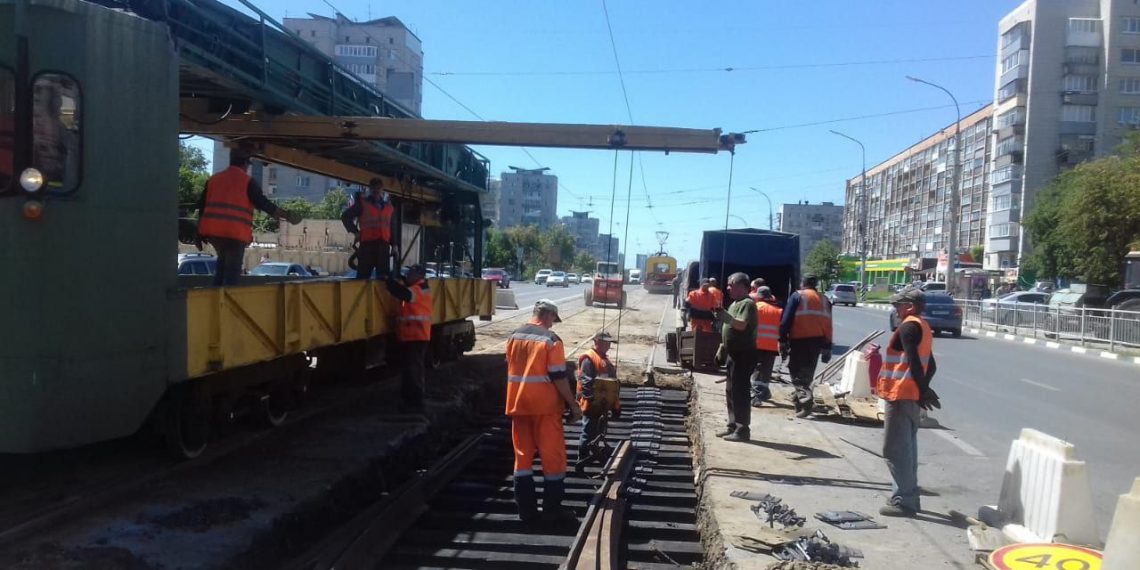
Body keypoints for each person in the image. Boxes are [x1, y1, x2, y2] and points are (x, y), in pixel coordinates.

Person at [505, 299, 582, 522]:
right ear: (548, 315)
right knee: (553, 459)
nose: (552, 324)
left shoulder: (514, 336)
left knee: (522, 460)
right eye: (553, 320)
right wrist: (572, 404)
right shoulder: (551, 340)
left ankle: (526, 512)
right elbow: (558, 376)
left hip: (519, 406)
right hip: (545, 408)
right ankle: (552, 511)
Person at [878, 288, 940, 517]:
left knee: (895, 449)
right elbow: (930, 366)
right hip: (910, 395)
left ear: (910, 306)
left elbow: (914, 362)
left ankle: (904, 500)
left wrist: (922, 390)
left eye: (898, 305)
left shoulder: (907, 327)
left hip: (900, 394)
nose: (896, 310)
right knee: (907, 448)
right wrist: (923, 390)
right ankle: (910, 495)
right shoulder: (922, 326)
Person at [196, 149, 290, 286]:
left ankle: (216, 295)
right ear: (245, 164)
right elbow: (264, 204)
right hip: (235, 233)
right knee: (232, 273)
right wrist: (286, 215)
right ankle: (227, 298)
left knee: (221, 265)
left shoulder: (214, 179)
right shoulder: (247, 182)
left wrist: (198, 233)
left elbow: (202, 206)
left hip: (213, 233)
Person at [779, 275, 833, 418]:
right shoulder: (825, 300)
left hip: (800, 340)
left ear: (803, 283)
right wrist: (827, 346)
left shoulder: (798, 296)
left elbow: (786, 319)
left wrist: (782, 339)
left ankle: (806, 402)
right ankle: (799, 403)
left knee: (795, 371)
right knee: (807, 372)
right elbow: (829, 324)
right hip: (817, 341)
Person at [713, 273, 758, 442]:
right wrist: (722, 348)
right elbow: (729, 328)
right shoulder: (734, 304)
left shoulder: (747, 304)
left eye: (730, 285)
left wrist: (724, 316)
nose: (727, 288)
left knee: (740, 392)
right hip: (733, 354)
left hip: (744, 354)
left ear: (741, 286)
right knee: (731, 391)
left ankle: (742, 430)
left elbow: (741, 325)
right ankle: (732, 425)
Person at [385, 265, 432, 411]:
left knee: (413, 371)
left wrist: (388, 281)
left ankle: (415, 402)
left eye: (410, 273)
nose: (408, 275)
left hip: (416, 336)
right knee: (409, 370)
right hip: (413, 336)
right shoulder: (420, 287)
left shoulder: (419, 289)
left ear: (418, 275)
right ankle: (409, 401)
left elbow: (403, 293)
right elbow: (407, 289)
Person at [576, 331, 620, 459]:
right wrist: (592, 401)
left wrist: (615, 406)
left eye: (609, 343)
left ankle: (592, 455)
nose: (608, 345)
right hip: (592, 403)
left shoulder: (604, 359)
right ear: (596, 342)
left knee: (598, 431)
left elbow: (612, 386)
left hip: (603, 403)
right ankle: (582, 459)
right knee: (588, 432)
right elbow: (586, 381)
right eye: (605, 342)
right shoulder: (589, 358)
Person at [341, 177, 395, 280]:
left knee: (384, 279)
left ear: (382, 190)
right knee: (363, 278)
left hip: (383, 246)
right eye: (374, 188)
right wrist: (355, 232)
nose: (376, 190)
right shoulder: (363, 204)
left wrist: (394, 245)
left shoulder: (389, 208)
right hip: (367, 246)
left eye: (378, 188)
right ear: (370, 189)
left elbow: (391, 228)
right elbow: (345, 216)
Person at [751, 286, 782, 407]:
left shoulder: (755, 308)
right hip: (772, 346)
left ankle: (756, 396)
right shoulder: (778, 310)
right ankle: (764, 392)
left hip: (756, 344)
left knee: (755, 371)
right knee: (766, 372)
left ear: (758, 296)